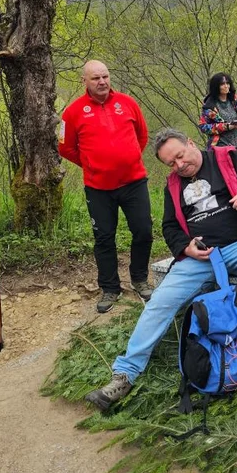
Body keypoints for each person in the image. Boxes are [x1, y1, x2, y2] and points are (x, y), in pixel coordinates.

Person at [84, 128, 237, 411]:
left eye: (180, 156)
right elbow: (169, 226)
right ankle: (125, 373)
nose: (179, 166)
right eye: (171, 163)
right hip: (199, 257)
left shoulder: (227, 158)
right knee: (160, 302)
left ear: (191, 143)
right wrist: (186, 247)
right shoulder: (173, 185)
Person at [59, 60, 153, 313]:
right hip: (98, 187)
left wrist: (129, 159)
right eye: (95, 78)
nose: (102, 82)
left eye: (105, 76)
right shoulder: (72, 112)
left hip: (134, 182)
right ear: (84, 81)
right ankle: (110, 288)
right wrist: (92, 164)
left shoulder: (128, 103)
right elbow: (64, 146)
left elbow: (142, 135)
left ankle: (140, 279)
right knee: (104, 238)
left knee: (143, 231)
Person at [199, 72, 237, 152]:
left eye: (227, 83)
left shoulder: (234, 99)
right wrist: (226, 127)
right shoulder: (210, 105)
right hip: (220, 148)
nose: (226, 86)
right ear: (216, 86)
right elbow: (203, 127)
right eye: (222, 84)